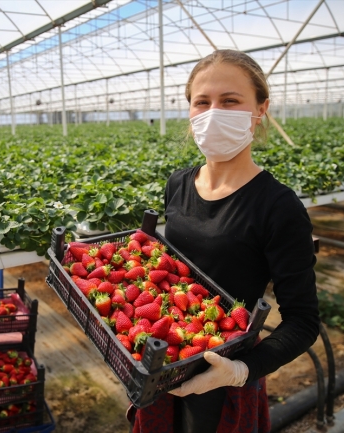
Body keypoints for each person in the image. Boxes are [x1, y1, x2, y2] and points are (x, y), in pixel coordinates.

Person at [131, 50, 320, 432]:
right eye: (202, 102)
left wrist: (240, 370)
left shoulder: (278, 206)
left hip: (222, 373)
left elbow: (303, 321)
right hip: (160, 355)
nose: (213, 112)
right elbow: (170, 275)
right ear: (190, 111)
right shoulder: (178, 183)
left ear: (261, 109)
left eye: (230, 101)